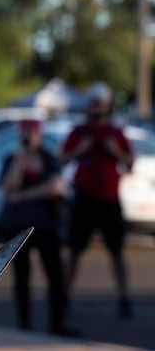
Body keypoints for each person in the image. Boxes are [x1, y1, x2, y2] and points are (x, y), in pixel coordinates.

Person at [60, 81, 134, 319]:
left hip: (109, 200)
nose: (96, 108)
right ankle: (64, 297)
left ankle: (124, 297)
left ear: (108, 105)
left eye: (100, 103)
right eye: (93, 103)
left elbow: (130, 163)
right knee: (74, 250)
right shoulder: (79, 132)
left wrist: (115, 150)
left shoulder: (116, 133)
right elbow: (61, 159)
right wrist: (80, 149)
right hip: (84, 199)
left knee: (117, 251)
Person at [0, 119, 77, 336]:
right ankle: (24, 322)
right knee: (22, 275)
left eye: (32, 133)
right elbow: (7, 187)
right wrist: (20, 160)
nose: (29, 137)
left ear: (40, 135)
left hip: (45, 224)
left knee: (54, 274)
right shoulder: (12, 159)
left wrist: (22, 196)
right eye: (25, 133)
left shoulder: (48, 159)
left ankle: (57, 322)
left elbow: (56, 187)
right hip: (18, 227)